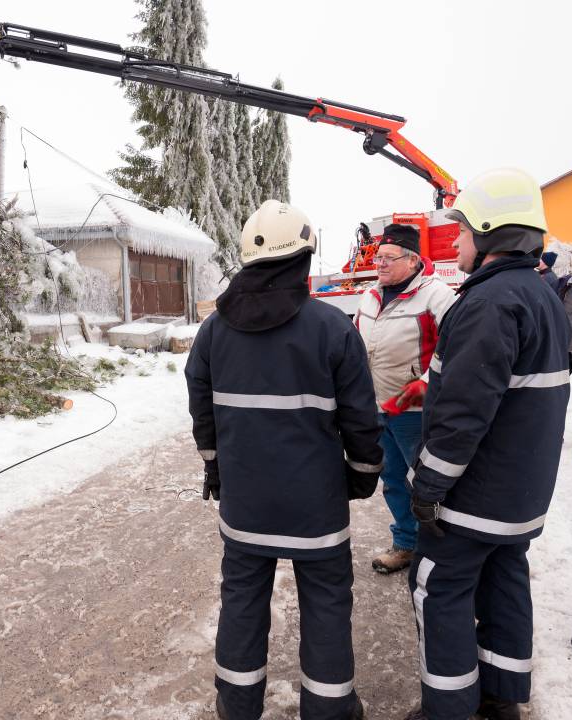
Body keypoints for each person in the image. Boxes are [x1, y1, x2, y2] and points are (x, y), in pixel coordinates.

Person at [186, 200, 384, 720]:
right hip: (316, 508)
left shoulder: (213, 331)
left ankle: (237, 705)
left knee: (242, 603)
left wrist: (216, 470)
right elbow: (361, 418)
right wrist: (363, 474)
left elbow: (202, 414)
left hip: (245, 504)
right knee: (326, 606)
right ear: (302, 258)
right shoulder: (333, 328)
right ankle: (330, 709)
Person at [402, 168, 571, 720]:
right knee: (504, 582)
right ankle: (502, 699)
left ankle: (448, 710)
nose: (456, 241)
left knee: (439, 588)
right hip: (520, 492)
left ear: (491, 233)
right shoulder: (540, 294)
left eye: (464, 230)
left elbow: (462, 414)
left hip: (476, 494)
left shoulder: (488, 302)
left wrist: (428, 484)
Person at [353, 224, 456, 574]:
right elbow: (356, 342)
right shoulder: (371, 295)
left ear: (412, 261)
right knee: (393, 479)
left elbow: (455, 348)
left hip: (416, 410)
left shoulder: (437, 296)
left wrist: (426, 384)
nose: (379, 263)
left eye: (388, 257)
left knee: (429, 482)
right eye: (378, 257)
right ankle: (407, 544)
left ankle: (445, 550)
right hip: (378, 406)